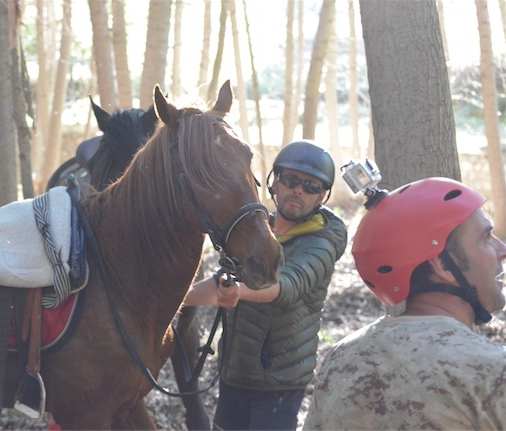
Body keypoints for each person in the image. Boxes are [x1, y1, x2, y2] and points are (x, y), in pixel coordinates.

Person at [303, 177, 506, 430]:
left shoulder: (342, 358)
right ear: (442, 265)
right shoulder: (491, 373)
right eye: (486, 238)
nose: (502, 249)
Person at [185, 140, 348, 430]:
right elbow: (223, 284)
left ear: (322, 196)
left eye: (310, 186)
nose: (298, 190)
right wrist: (178, 299)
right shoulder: (257, 233)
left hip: (278, 385)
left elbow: (287, 286)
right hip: (235, 374)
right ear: (275, 182)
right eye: (291, 180)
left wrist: (240, 293)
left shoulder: (321, 242)